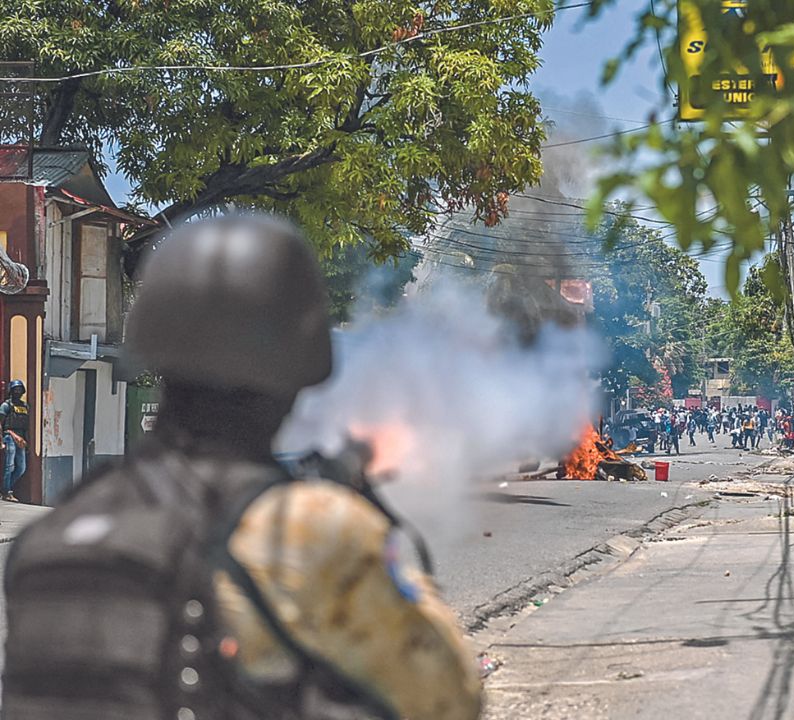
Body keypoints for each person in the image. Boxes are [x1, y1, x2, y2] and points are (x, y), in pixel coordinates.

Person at [2, 216, 480, 720]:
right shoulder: (311, 528)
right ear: (297, 370)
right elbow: (449, 697)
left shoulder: (50, 537)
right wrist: (355, 516)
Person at [0, 379, 30, 502]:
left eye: (19, 390)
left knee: (21, 468)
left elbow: (26, 425)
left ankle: (5, 489)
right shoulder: (6, 405)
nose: (17, 392)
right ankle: (6, 492)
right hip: (9, 436)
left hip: (21, 437)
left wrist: (27, 441)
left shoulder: (25, 406)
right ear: (11, 391)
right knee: (9, 466)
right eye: (15, 390)